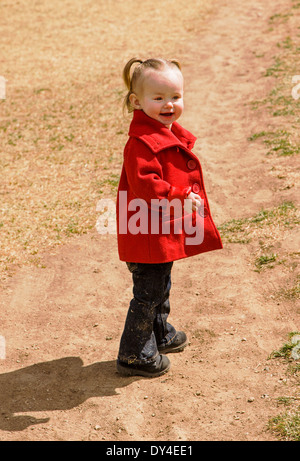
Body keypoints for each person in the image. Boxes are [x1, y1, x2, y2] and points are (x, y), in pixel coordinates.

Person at [116, 58, 222, 377]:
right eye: (158, 98)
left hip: (158, 231)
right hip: (146, 232)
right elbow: (146, 187)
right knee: (147, 292)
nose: (168, 104)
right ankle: (134, 353)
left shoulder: (167, 132)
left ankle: (159, 334)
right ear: (136, 101)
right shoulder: (141, 144)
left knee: (161, 283)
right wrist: (178, 196)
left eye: (175, 96)